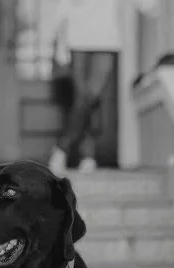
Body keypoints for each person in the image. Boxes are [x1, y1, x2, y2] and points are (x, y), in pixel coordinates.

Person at [48, 0, 122, 174]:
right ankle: (88, 156)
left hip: (106, 38)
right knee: (82, 98)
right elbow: (63, 6)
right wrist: (59, 43)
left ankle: (61, 148)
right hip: (77, 38)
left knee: (92, 96)